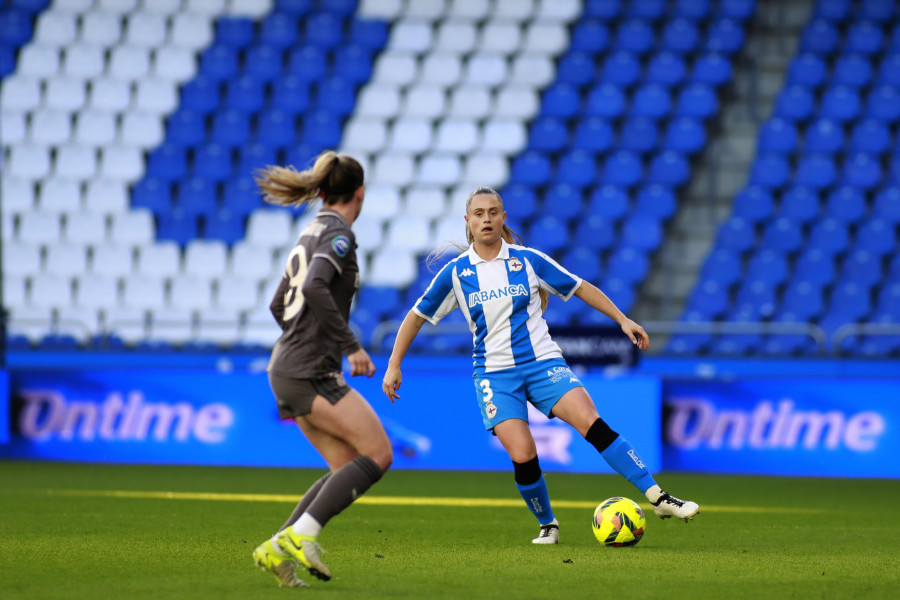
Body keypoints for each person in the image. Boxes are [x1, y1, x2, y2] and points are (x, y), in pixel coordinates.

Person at [382, 187, 698, 545]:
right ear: (468, 222)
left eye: (493, 212)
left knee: (591, 422)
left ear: (503, 218)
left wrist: (622, 320)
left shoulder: (528, 260)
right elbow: (416, 316)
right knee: (523, 453)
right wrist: (394, 364)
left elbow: (580, 287)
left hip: (542, 362)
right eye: (479, 213)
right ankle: (548, 524)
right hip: (494, 376)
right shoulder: (455, 274)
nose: (486, 219)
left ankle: (659, 497)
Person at [250, 151, 392, 587]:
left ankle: (277, 549)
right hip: (311, 370)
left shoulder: (310, 230)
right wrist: (348, 347)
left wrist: (304, 341)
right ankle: (302, 535)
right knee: (379, 453)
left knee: (346, 463)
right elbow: (312, 285)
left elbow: (279, 302)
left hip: (288, 366)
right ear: (360, 193)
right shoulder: (339, 235)